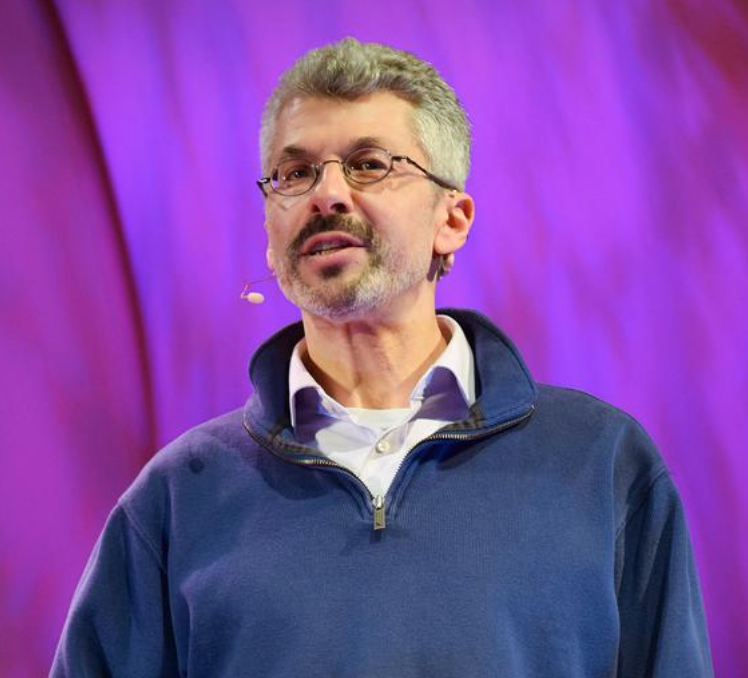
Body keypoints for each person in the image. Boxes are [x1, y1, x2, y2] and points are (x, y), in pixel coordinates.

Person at [51, 38, 713, 677]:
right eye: (295, 172)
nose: (327, 194)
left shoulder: (601, 465)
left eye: (369, 163)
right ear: (269, 228)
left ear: (451, 219)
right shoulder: (177, 498)